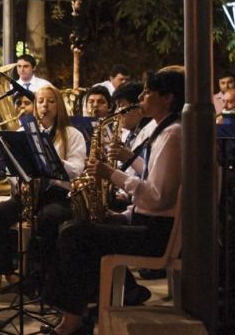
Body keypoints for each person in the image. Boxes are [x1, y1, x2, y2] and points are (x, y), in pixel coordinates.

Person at [44, 69, 184, 335]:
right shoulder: (163, 131)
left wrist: (112, 174)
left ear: (167, 98)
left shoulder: (172, 135)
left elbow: (157, 197)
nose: (141, 97)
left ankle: (73, 319)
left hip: (156, 236)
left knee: (74, 235)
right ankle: (80, 310)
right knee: (76, 227)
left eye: (147, 92)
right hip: (148, 223)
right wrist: (125, 215)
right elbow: (156, 192)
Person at [0, 85, 85, 287]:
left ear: (59, 105)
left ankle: (41, 276)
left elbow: (76, 169)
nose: (44, 106)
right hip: (30, 192)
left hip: (58, 194)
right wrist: (19, 182)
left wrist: (51, 158)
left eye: (50, 101)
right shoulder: (24, 132)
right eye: (40, 101)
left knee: (48, 218)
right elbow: (15, 166)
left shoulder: (72, 134)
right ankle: (7, 273)